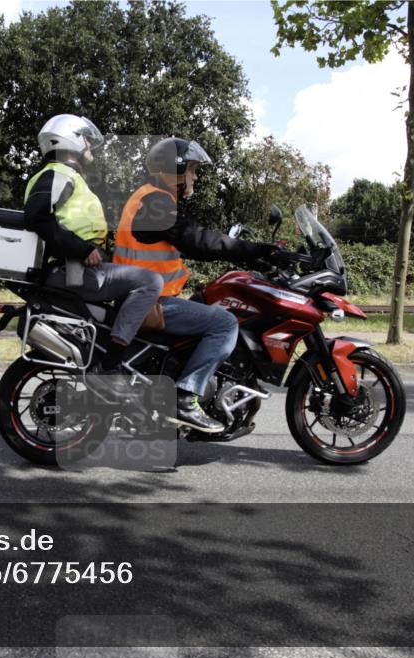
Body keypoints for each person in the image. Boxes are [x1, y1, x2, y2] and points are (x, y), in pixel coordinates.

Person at [114, 137, 279, 433]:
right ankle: (186, 397)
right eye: (191, 169)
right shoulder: (155, 202)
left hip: (147, 298)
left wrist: (254, 260)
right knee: (225, 324)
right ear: (173, 169)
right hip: (151, 303)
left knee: (208, 300)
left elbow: (189, 244)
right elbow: (199, 239)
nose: (195, 176)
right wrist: (258, 250)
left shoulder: (151, 200)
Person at [23, 114, 163, 391]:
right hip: (72, 269)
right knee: (150, 282)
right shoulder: (56, 174)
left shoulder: (66, 176)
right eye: (86, 140)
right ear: (70, 138)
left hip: (74, 266)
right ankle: (111, 366)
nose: (89, 147)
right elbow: (37, 218)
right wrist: (83, 248)